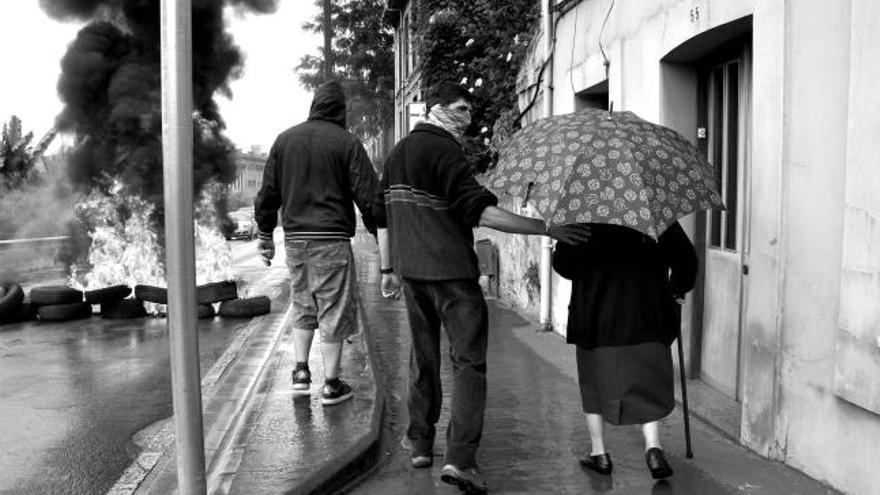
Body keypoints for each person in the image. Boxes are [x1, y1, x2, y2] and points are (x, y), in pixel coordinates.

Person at [374, 81, 590, 494]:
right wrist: (548, 228)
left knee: (423, 358)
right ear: (435, 109)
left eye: (470, 111)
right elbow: (484, 212)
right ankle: (460, 460)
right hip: (452, 275)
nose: (467, 118)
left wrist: (389, 266)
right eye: (459, 109)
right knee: (469, 364)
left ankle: (420, 442)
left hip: (412, 273)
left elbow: (380, 211)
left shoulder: (398, 153)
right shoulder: (445, 150)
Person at [254, 80, 378, 406]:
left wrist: (266, 235)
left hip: (295, 241)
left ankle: (300, 372)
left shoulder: (284, 141)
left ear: (314, 105)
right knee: (333, 310)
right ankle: (333, 385)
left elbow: (267, 194)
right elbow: (369, 196)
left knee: (303, 305)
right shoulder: (347, 143)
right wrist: (381, 236)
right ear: (341, 109)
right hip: (332, 241)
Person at [551, 221, 697, 479]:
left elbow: (564, 265)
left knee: (593, 384)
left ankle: (600, 454)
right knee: (647, 383)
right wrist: (677, 290)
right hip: (647, 315)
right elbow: (687, 259)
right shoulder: (655, 217)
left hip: (596, 317)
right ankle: (653, 448)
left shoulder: (583, 218)